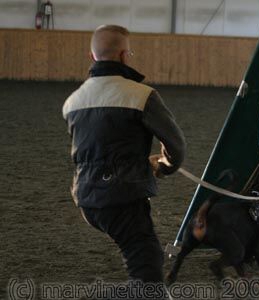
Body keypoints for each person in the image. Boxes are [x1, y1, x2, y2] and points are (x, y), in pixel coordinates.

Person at [62, 25, 186, 288]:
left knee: (145, 262)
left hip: (86, 197)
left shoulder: (72, 102)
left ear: (91, 56)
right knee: (148, 281)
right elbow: (177, 148)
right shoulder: (142, 95)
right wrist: (162, 166)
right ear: (123, 56)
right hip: (121, 197)